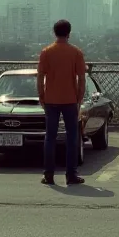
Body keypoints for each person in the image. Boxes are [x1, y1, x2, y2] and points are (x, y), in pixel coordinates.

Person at [36, 19, 86, 185]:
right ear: (69, 33)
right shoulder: (76, 52)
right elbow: (81, 77)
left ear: (54, 32)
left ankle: (48, 174)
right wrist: (79, 97)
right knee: (72, 137)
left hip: (51, 99)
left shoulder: (46, 52)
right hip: (70, 99)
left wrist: (41, 95)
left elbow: (41, 76)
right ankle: (71, 175)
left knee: (50, 137)